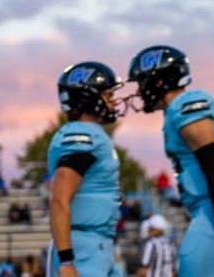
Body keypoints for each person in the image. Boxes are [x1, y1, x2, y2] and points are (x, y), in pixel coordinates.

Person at [127, 45, 214, 276]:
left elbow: (213, 167)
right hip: (212, 209)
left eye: (143, 82)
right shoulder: (178, 109)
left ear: (159, 81)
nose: (140, 90)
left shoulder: (186, 104)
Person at [47, 62, 123, 277]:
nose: (113, 101)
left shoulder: (92, 135)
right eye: (107, 95)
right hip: (84, 248)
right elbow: (59, 199)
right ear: (89, 98)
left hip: (97, 245)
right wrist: (66, 261)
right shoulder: (81, 134)